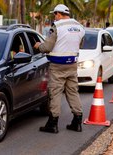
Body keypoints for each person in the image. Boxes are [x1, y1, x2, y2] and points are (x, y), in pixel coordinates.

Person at [34, 4, 85, 133]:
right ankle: (77, 121)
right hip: (72, 64)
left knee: (55, 93)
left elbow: (47, 47)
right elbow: (80, 44)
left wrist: (38, 45)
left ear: (58, 14)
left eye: (54, 15)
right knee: (73, 92)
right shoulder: (79, 27)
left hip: (57, 66)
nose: (54, 17)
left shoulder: (57, 27)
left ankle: (53, 123)